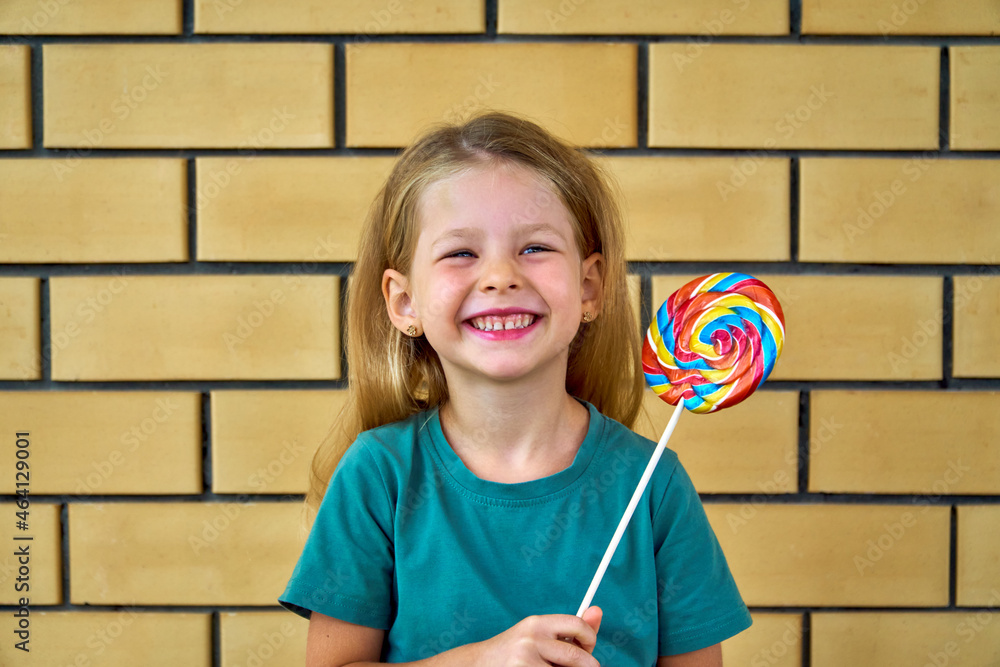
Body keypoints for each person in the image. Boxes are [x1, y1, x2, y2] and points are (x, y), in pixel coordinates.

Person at [279, 111, 751, 666]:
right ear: (404, 302)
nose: (500, 276)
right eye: (461, 253)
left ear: (589, 286)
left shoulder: (653, 488)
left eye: (534, 248)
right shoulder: (378, 477)